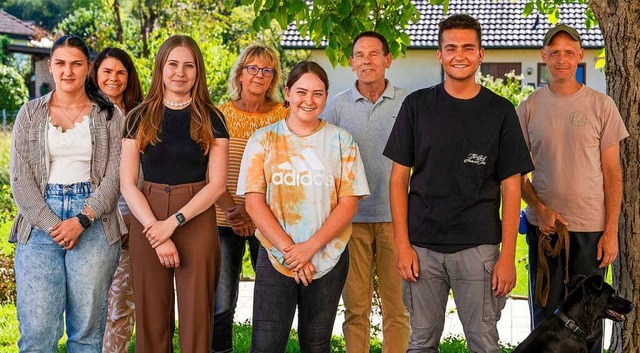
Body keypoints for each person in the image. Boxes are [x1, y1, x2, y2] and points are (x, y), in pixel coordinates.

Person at [383, 14, 534, 353]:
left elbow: (512, 187)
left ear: (481, 54)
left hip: (478, 249)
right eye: (450, 48)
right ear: (439, 54)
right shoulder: (417, 106)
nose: (459, 55)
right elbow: (397, 180)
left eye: (468, 47)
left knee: (483, 343)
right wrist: (403, 245)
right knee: (421, 342)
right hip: (421, 248)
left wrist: (507, 255)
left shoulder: (500, 111)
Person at [237, 61, 370, 353]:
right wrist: (290, 251)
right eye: (301, 92)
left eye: (318, 93)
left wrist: (309, 248)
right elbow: (253, 202)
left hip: (328, 257)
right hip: (276, 258)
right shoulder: (264, 140)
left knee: (317, 344)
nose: (309, 100)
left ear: (325, 96)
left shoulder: (342, 141)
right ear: (287, 92)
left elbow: (349, 204)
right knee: (266, 345)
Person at [517, 24, 628, 353]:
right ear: (544, 57)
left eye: (568, 52)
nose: (561, 59)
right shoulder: (528, 108)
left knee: (590, 323)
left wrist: (610, 232)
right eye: (554, 53)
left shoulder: (601, 106)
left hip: (591, 231)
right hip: (546, 231)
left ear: (580, 55)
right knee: (545, 319)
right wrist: (539, 209)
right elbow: (516, 176)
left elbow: (612, 172)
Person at [10, 34, 123, 352]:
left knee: (86, 332)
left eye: (76, 64)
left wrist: (82, 220)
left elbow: (116, 178)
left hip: (94, 223)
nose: (68, 71)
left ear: (88, 68)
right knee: (37, 332)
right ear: (50, 66)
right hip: (38, 224)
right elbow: (20, 180)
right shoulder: (29, 114)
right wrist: (52, 225)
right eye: (60, 63)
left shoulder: (110, 115)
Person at [120, 35, 229, 353]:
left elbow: (217, 184)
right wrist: (157, 230)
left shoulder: (212, 118)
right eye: (173, 64)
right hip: (147, 214)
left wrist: (174, 222)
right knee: (151, 315)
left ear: (198, 72)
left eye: (188, 65)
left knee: (197, 315)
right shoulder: (138, 117)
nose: (180, 72)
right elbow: (128, 183)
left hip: (196, 215)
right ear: (160, 68)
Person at [323, 31, 410, 353]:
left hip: (396, 221)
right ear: (351, 62)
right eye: (360, 55)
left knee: (397, 307)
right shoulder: (338, 107)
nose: (367, 61)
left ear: (388, 59)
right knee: (355, 308)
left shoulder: (407, 102)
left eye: (374, 54)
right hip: (351, 221)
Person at [212, 44, 288, 353]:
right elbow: (207, 170)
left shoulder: (285, 115)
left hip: (268, 222)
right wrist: (234, 210)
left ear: (274, 77)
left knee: (270, 304)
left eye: (267, 70)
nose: (259, 75)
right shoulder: (219, 114)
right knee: (220, 304)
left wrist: (252, 213)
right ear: (240, 74)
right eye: (252, 68)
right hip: (222, 218)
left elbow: (286, 173)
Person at [92, 47, 143, 353]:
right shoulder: (85, 113)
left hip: (129, 220)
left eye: (120, 72)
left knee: (121, 304)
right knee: (91, 304)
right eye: (107, 72)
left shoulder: (139, 115)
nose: (114, 78)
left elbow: (145, 172)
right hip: (90, 220)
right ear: (95, 75)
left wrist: (134, 216)